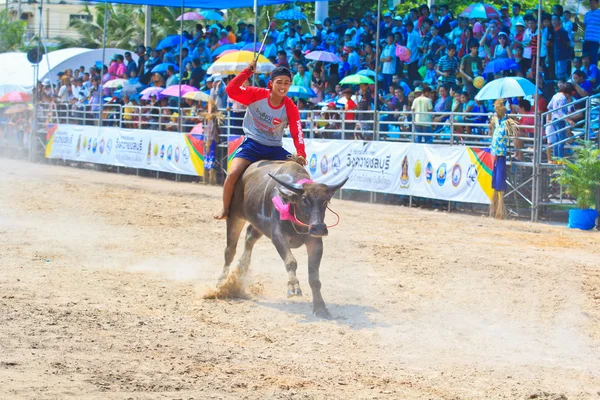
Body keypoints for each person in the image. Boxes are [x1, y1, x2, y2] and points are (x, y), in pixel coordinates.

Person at [214, 61, 307, 220]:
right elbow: (230, 90)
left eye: (286, 83)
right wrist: (247, 72)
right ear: (271, 84)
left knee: (300, 173)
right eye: (279, 82)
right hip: (251, 144)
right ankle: (225, 208)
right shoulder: (256, 94)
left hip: (274, 148)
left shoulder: (290, 106)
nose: (283, 86)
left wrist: (301, 153)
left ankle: (304, 213)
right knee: (232, 174)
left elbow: (297, 132)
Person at [583, 0, 600, 66]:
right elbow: (585, 27)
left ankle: (594, 75)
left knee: (593, 58)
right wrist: (578, 22)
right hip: (587, 39)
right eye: (590, 3)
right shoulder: (587, 14)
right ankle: (585, 74)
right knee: (585, 58)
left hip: (595, 40)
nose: (592, 4)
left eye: (593, 3)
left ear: (597, 3)